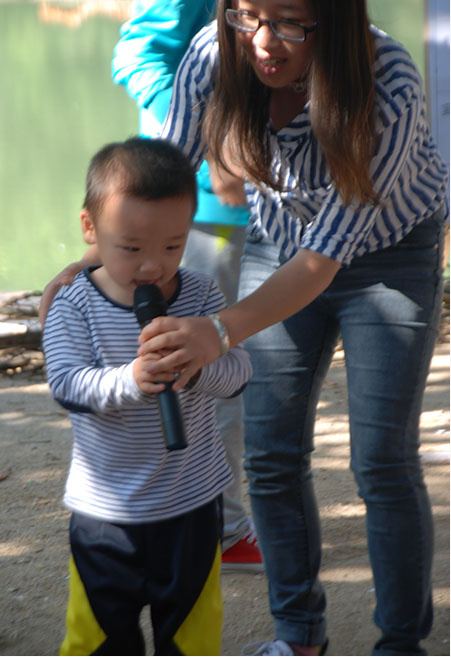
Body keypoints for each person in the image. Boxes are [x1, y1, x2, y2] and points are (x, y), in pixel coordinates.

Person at [134, 1, 449, 655]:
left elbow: (321, 261)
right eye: (247, 15)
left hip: (389, 253)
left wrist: (217, 330)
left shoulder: (386, 80)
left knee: (381, 459)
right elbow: (159, 180)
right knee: (272, 455)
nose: (263, 41)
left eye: (288, 21)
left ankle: (400, 641)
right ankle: (298, 635)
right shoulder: (215, 54)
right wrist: (97, 255)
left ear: (331, 18)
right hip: (281, 239)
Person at [42, 137, 252, 656]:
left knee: (191, 636)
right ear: (90, 229)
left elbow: (239, 373)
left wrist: (201, 367)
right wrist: (131, 380)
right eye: (131, 248)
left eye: (172, 247)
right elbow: (67, 384)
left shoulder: (202, 295)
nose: (152, 266)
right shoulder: (74, 307)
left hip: (194, 506)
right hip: (105, 514)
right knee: (99, 638)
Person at [111, 0, 264, 571]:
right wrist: (215, 142)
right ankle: (222, 528)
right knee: (204, 358)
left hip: (275, 209)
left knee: (245, 366)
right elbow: (136, 54)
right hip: (204, 210)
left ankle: (219, 518)